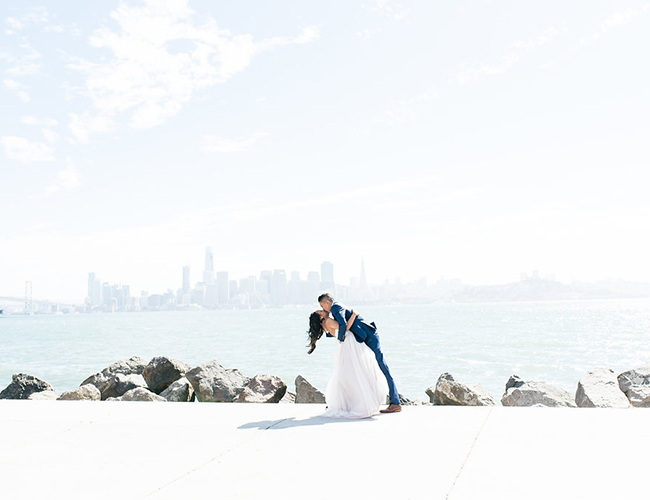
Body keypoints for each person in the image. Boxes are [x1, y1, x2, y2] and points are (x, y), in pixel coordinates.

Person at [307, 293, 402, 414]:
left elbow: (342, 325)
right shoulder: (331, 317)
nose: (323, 309)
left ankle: (395, 402)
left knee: (380, 367)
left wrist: (339, 335)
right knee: (356, 372)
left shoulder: (335, 307)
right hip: (359, 340)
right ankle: (347, 403)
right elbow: (342, 328)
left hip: (369, 336)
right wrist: (351, 318)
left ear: (327, 302)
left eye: (322, 306)